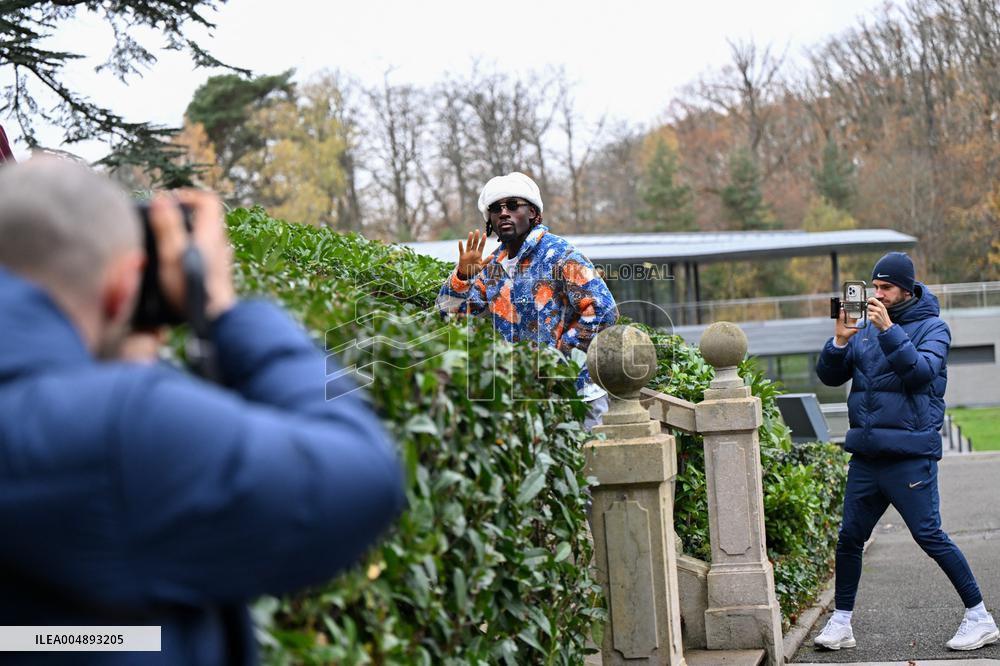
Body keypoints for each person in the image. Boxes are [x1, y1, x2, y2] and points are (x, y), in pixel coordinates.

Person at [0, 158, 406, 665]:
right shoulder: (121, 431)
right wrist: (221, 309)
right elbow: (365, 476)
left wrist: (116, 369)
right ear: (125, 286)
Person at [813, 252, 997, 652]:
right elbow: (829, 376)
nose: (878, 294)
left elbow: (921, 375)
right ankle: (841, 622)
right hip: (867, 454)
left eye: (885, 288)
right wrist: (839, 340)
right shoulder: (862, 330)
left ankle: (980, 617)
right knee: (849, 539)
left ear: (907, 289)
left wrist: (889, 329)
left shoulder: (934, 327)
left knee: (929, 536)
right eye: (874, 287)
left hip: (909, 454)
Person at [435, 172, 618, 429]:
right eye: (496, 209)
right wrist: (461, 278)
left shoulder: (560, 255)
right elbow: (451, 319)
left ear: (532, 212)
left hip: (576, 397)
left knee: (588, 468)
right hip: (522, 404)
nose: (504, 213)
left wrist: (560, 356)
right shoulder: (492, 267)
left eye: (512, 205)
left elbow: (603, 310)